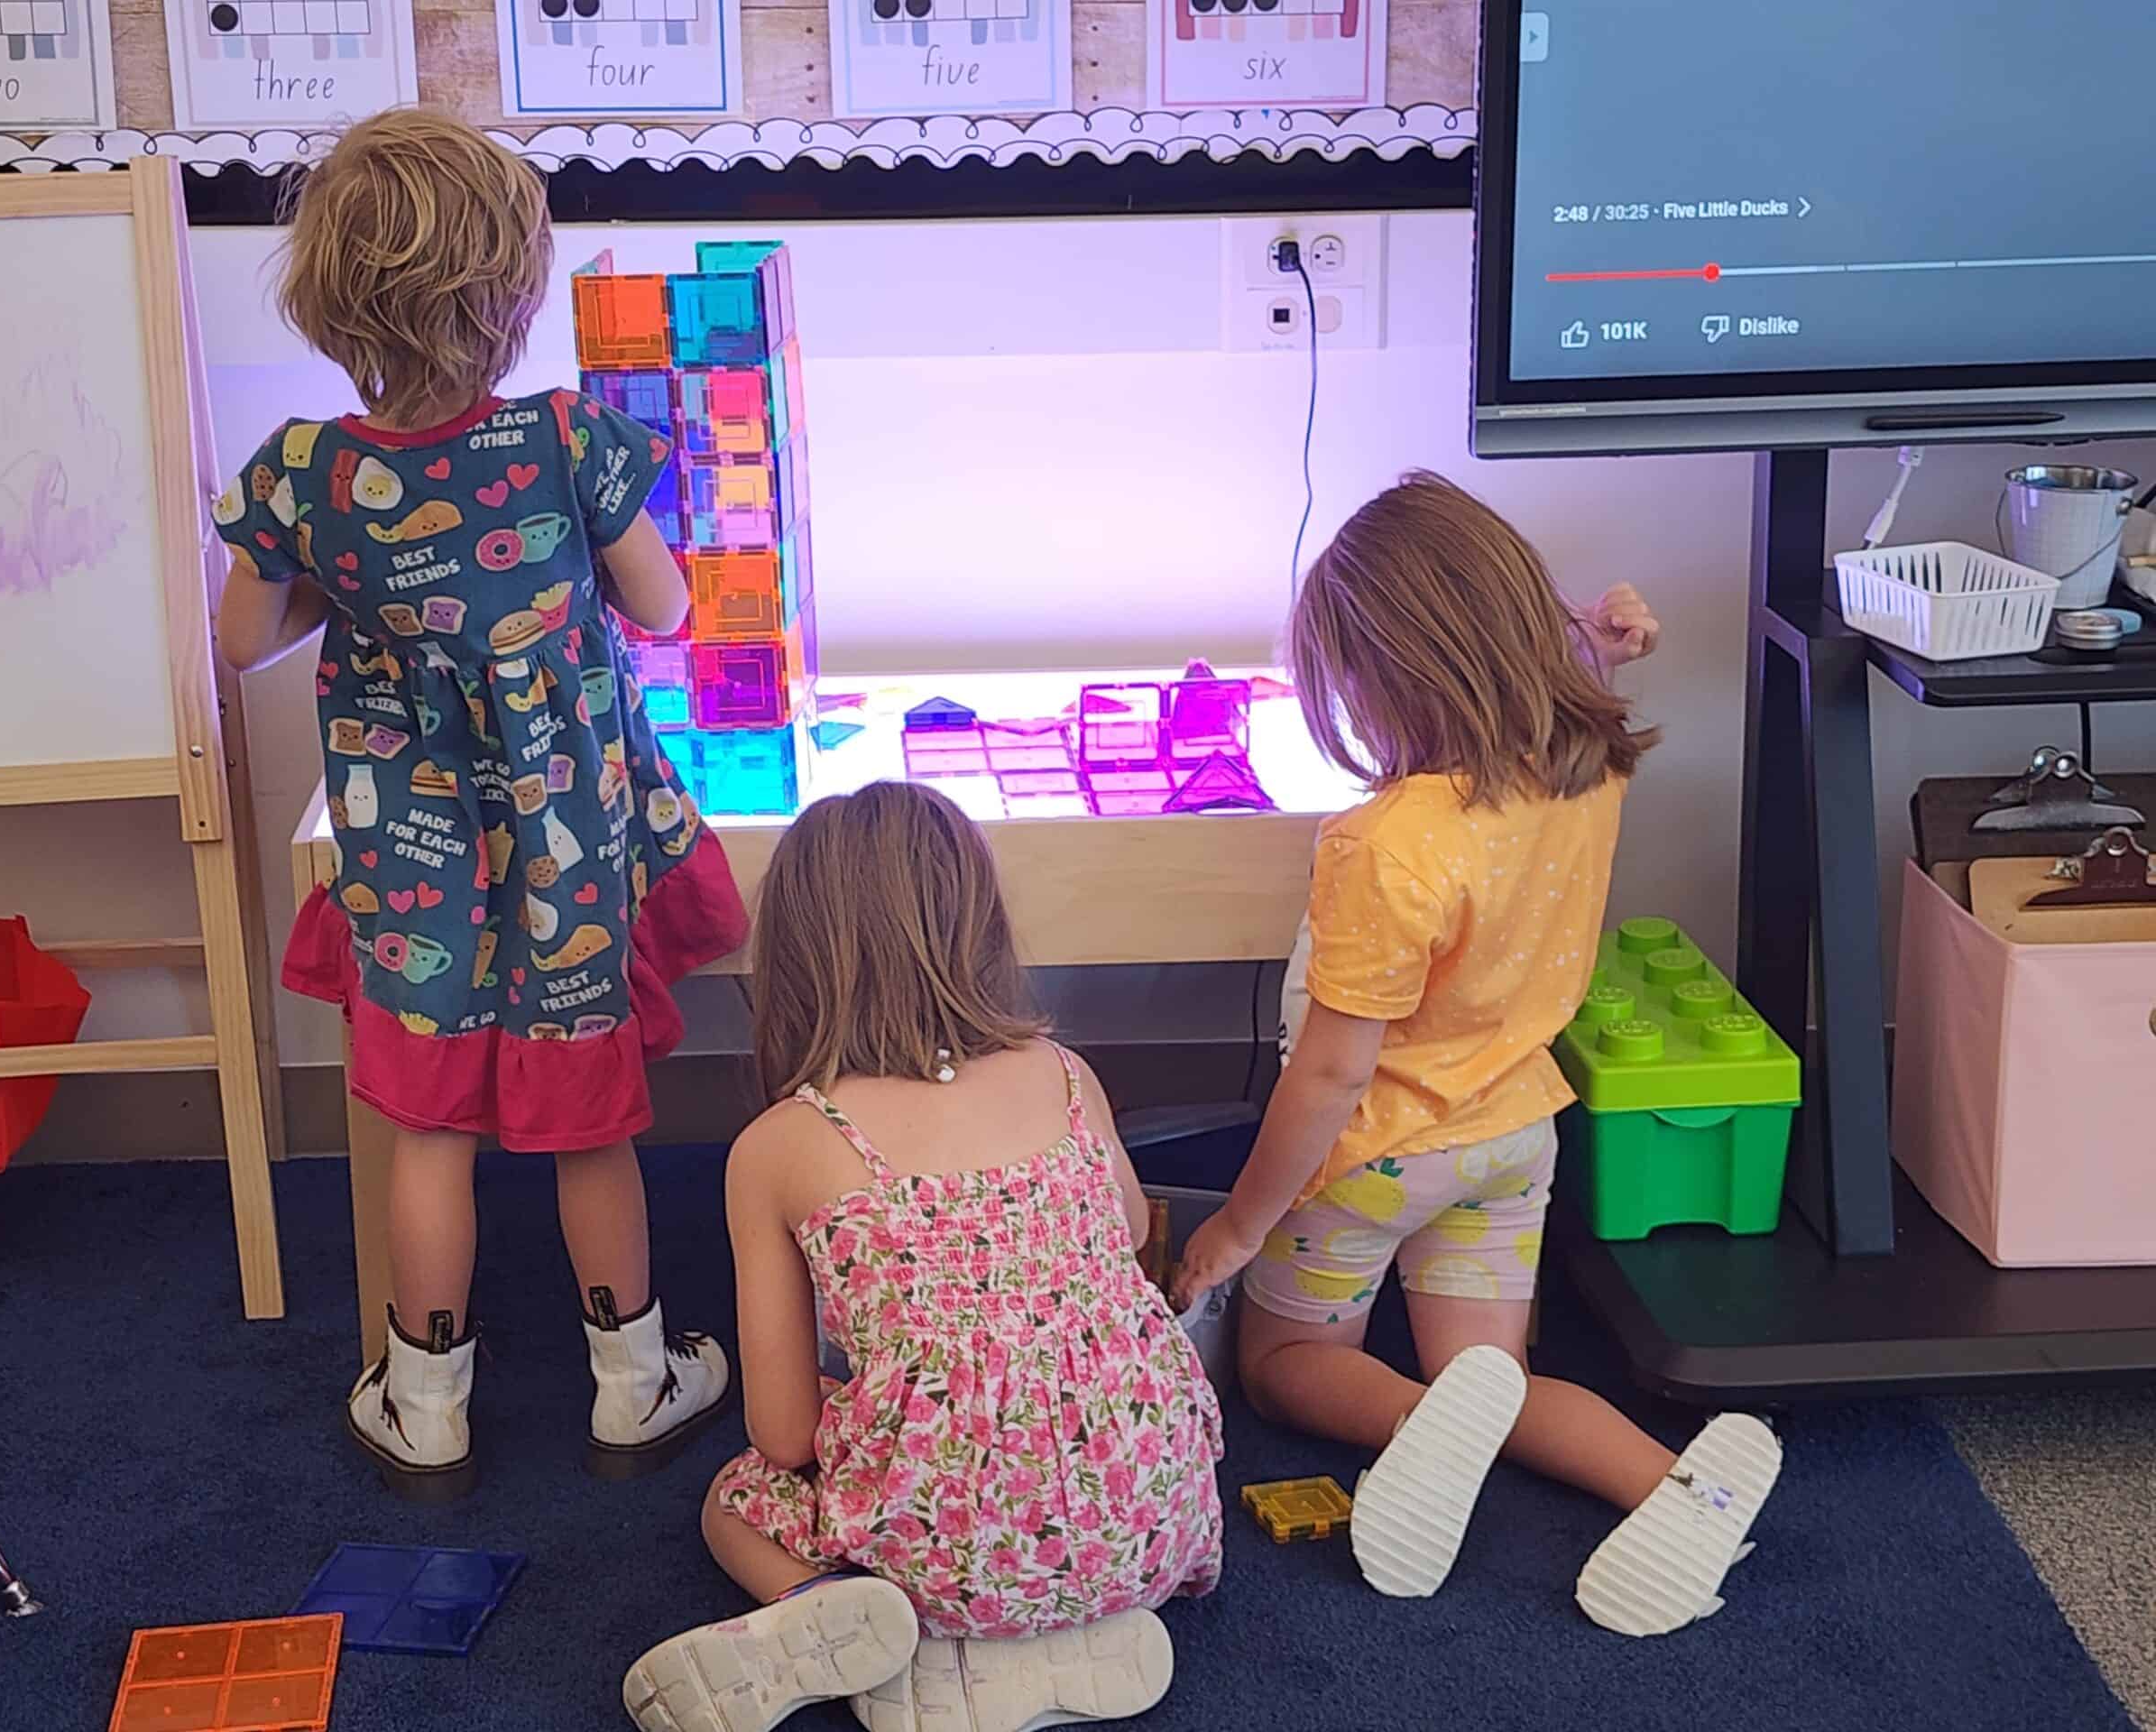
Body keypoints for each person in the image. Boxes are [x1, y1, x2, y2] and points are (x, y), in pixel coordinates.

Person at [209, 111, 745, 1502]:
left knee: (426, 1129)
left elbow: (242, 639)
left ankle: (424, 1399)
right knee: (590, 1127)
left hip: (410, 869)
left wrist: (371, 583)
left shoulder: (306, 474)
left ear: (330, 301)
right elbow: (669, 609)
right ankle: (635, 1385)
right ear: (513, 294)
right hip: (568, 870)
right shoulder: (571, 441)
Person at [1173, 473, 1781, 1637]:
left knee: (1288, 1362)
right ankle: (1675, 1485)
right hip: (1514, 1139)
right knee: (1492, 1382)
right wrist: (1599, 637)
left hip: (1378, 1156)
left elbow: (1334, 1074)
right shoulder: (1590, 764)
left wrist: (1239, 1227)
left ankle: (1410, 1430)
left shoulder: (1383, 844)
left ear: (1385, 682)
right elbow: (1577, 668)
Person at [623, 784, 1221, 1732]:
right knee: (1039, 1455)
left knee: (734, 1500)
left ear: (794, 955)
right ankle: (1065, 1624)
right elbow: (1125, 1233)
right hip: (1147, 1514)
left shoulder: (779, 1145)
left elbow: (781, 1432)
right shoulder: (1067, 1076)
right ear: (980, 923)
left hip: (936, 1545)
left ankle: (829, 1608)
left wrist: (906, 1392)